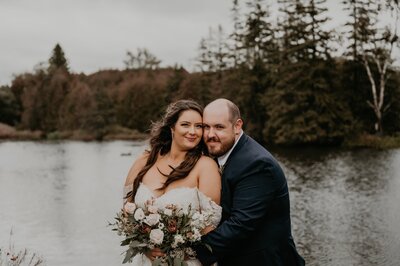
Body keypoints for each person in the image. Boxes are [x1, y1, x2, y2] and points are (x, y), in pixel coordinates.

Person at [195, 98, 305, 266]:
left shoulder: (257, 164)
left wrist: (189, 252)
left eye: (219, 127)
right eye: (206, 127)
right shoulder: (216, 154)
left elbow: (240, 224)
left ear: (237, 126)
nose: (210, 135)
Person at [123, 99, 222, 266]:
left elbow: (209, 227)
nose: (193, 131)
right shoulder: (144, 162)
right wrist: (145, 247)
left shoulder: (206, 166)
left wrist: (177, 251)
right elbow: (126, 213)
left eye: (199, 126)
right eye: (185, 125)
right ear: (172, 127)